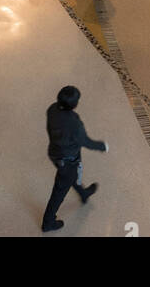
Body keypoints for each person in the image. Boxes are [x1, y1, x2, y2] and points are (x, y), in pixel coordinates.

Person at [41, 85, 107, 232]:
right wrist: (103, 146)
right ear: (74, 105)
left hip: (55, 153)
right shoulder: (74, 123)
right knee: (59, 192)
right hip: (68, 160)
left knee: (72, 176)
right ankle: (48, 222)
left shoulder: (52, 109)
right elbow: (86, 142)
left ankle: (83, 193)